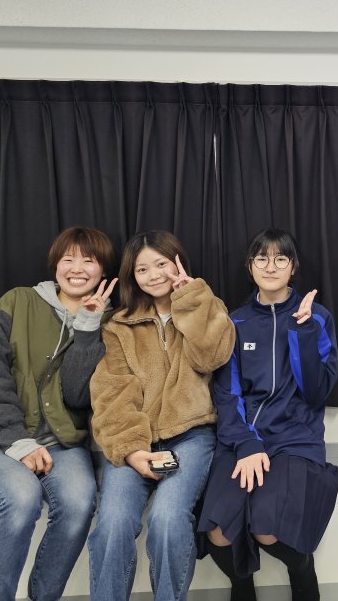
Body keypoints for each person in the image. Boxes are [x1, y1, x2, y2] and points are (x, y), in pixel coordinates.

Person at [0, 226, 117, 601]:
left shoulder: (109, 324)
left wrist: (88, 328)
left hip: (60, 443)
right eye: (68, 258)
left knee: (79, 504)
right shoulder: (17, 302)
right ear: (55, 265)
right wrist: (18, 441)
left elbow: (78, 396)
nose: (77, 268)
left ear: (103, 271)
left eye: (89, 260)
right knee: (21, 498)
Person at [88, 230, 235, 601]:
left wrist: (191, 301)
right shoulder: (118, 325)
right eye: (142, 269)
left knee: (168, 519)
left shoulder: (207, 305)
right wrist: (132, 451)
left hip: (192, 434)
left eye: (161, 264)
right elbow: (112, 393)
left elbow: (212, 358)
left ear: (177, 263)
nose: (153, 275)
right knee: (112, 522)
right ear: (131, 276)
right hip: (134, 439)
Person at [198, 228, 338, 601]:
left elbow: (316, 392)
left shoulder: (318, 317)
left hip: (296, 439)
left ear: (293, 267)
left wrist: (303, 332)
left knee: (267, 528)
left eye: (280, 258)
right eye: (262, 258)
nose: (271, 266)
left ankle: (303, 571)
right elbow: (226, 393)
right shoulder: (235, 321)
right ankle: (242, 587)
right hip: (243, 437)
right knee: (217, 532)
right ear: (250, 267)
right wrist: (246, 443)